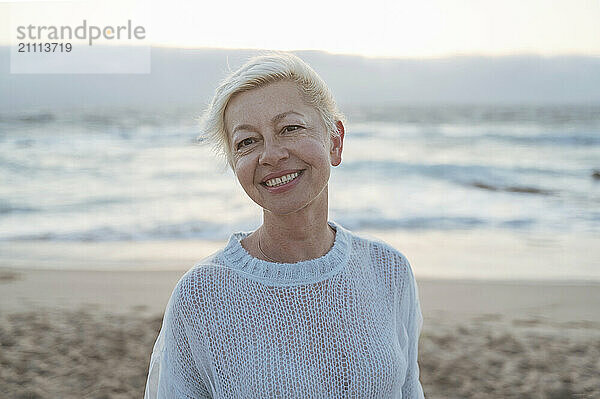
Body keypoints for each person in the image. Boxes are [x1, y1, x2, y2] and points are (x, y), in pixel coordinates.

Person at [144, 52, 425, 398]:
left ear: (335, 141)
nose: (271, 155)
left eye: (290, 128)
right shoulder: (201, 295)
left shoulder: (389, 270)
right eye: (247, 141)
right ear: (235, 166)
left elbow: (409, 390)